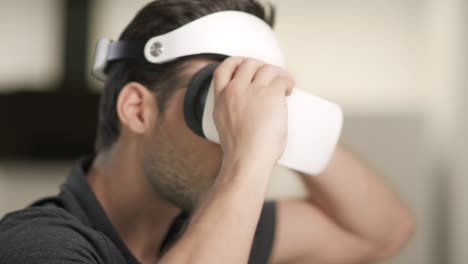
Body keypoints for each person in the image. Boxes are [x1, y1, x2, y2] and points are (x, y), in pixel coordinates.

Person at [0, 1, 414, 263]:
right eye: (216, 102)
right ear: (137, 111)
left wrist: (281, 115)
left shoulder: (208, 223)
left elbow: (380, 233)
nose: (238, 127)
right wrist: (248, 157)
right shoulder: (36, 244)